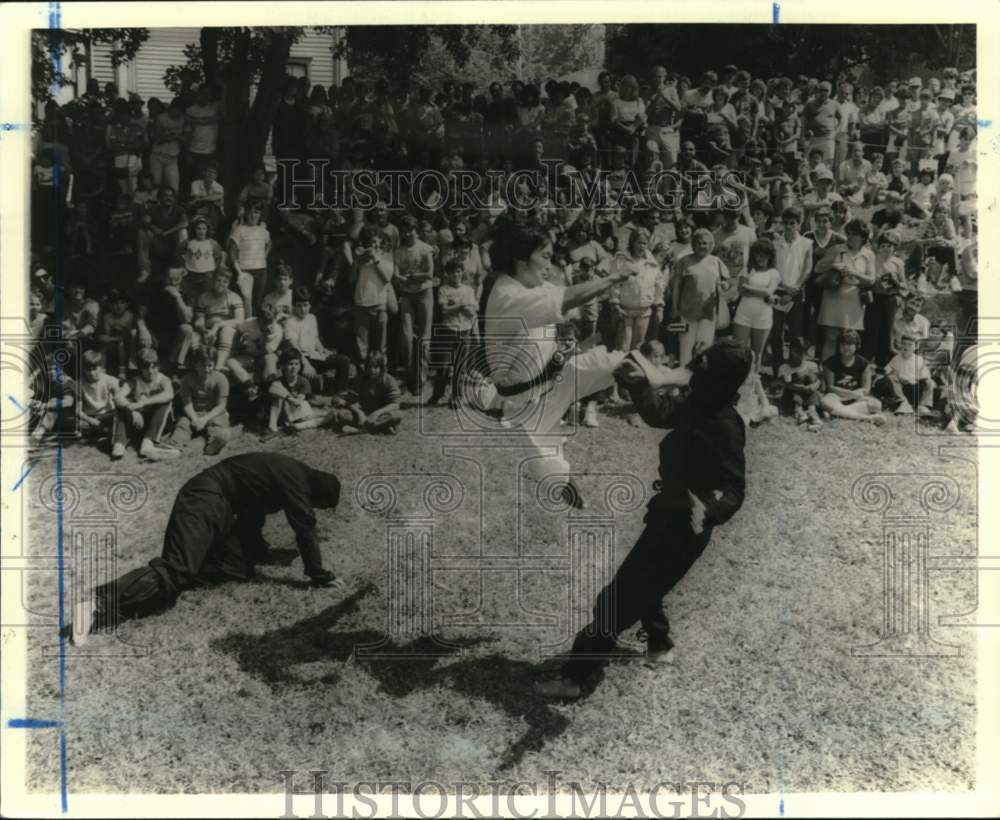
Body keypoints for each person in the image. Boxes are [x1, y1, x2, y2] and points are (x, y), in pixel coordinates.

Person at [536, 340, 753, 699]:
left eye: (703, 364)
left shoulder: (725, 425)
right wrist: (637, 383)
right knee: (646, 583)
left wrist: (709, 512)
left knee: (617, 600)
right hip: (667, 513)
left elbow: (734, 490)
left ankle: (573, 679)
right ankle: (659, 644)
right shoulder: (701, 403)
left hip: (684, 529)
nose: (693, 368)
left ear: (716, 377)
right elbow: (660, 415)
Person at [65, 453, 344, 643]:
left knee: (236, 570)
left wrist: (259, 552)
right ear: (318, 490)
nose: (314, 507)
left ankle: (138, 597)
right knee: (178, 569)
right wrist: (318, 574)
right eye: (320, 504)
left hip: (220, 504)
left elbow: (251, 516)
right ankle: (97, 603)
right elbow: (304, 527)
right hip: (205, 497)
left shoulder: (287, 472)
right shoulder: (296, 477)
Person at [483, 222, 637, 505]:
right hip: (524, 404)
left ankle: (665, 387)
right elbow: (566, 298)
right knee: (551, 472)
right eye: (544, 255)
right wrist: (614, 278)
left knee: (618, 364)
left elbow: (564, 301)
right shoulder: (508, 295)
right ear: (521, 259)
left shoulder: (529, 284)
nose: (550, 263)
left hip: (551, 380)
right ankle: (562, 482)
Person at [814, 218, 876, 360]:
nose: (850, 237)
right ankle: (826, 373)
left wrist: (854, 272)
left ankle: (844, 373)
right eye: (849, 233)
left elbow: (871, 279)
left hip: (854, 298)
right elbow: (817, 268)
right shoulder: (837, 249)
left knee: (849, 340)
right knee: (830, 337)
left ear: (863, 237)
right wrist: (833, 266)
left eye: (854, 234)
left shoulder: (869, 254)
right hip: (833, 295)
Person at [163, 346, 232, 455]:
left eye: (210, 365)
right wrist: (194, 418)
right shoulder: (187, 379)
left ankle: (214, 444)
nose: (206, 369)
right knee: (183, 424)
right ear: (195, 365)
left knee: (218, 424)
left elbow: (221, 405)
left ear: (214, 364)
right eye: (202, 366)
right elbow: (187, 404)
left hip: (213, 413)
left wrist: (205, 419)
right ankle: (174, 446)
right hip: (194, 413)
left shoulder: (220, 379)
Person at [671, 228, 724, 366]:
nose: (702, 246)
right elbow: (675, 287)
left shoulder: (716, 261)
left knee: (705, 349)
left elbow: (725, 283)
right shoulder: (684, 261)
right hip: (687, 312)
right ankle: (684, 382)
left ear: (711, 245)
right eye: (699, 243)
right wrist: (675, 308)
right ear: (693, 244)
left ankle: (702, 382)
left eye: (706, 243)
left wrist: (725, 286)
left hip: (708, 313)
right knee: (686, 349)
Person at [429, 258, 478, 407]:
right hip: (447, 330)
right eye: (452, 272)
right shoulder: (444, 289)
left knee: (460, 366)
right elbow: (444, 311)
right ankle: (437, 394)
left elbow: (471, 312)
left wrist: (455, 306)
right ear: (447, 274)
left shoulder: (469, 290)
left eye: (458, 271)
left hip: (465, 331)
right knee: (443, 366)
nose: (455, 275)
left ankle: (456, 396)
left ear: (462, 273)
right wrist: (462, 305)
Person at [120, 348, 182, 460]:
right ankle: (120, 444)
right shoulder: (135, 381)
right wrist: (130, 409)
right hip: (143, 420)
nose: (150, 371)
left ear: (158, 366)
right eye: (146, 368)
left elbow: (169, 394)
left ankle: (147, 443)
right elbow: (118, 396)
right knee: (121, 408)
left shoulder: (163, 379)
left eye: (154, 367)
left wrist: (142, 403)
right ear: (140, 369)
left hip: (162, 421)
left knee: (165, 403)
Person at [732, 238, 781, 369]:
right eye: (756, 254)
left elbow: (769, 291)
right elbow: (741, 290)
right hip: (743, 313)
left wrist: (749, 288)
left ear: (770, 256)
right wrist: (763, 293)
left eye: (763, 255)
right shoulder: (747, 269)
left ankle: (753, 383)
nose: (759, 258)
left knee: (757, 354)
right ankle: (738, 384)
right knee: (738, 352)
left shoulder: (774, 273)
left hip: (763, 316)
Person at [819, 329, 886, 424]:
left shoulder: (864, 363)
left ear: (856, 346)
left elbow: (866, 389)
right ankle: (865, 418)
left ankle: (840, 413)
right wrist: (851, 394)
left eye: (849, 344)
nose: (845, 347)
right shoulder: (830, 362)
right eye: (842, 344)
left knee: (876, 404)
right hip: (837, 397)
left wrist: (855, 395)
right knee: (825, 402)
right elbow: (830, 388)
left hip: (856, 399)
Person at [74, 349, 129, 459]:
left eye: (95, 369)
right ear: (83, 370)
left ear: (101, 368)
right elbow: (77, 411)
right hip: (91, 417)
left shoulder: (110, 380)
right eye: (88, 370)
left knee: (120, 417)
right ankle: (104, 432)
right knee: (77, 427)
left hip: (108, 414)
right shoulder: (79, 384)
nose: (91, 373)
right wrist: (92, 421)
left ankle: (114, 440)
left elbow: (119, 400)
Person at [227, 202, 272, 318]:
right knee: (244, 302)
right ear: (246, 213)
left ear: (260, 214)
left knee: (257, 302)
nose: (253, 215)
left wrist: (264, 256)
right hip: (245, 270)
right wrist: (239, 272)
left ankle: (254, 331)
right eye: (250, 212)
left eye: (256, 212)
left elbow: (269, 244)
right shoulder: (239, 229)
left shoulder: (263, 231)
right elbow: (231, 253)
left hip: (261, 271)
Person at [882, 335, 936, 417]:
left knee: (930, 382)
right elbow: (886, 370)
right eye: (904, 344)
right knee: (891, 377)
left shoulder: (919, 359)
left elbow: (926, 375)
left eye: (909, 344)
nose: (906, 347)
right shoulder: (896, 358)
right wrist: (889, 373)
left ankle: (923, 406)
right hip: (902, 388)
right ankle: (903, 403)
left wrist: (915, 379)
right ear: (901, 345)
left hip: (915, 387)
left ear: (915, 347)